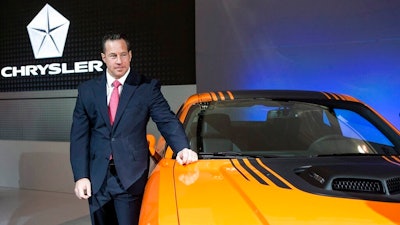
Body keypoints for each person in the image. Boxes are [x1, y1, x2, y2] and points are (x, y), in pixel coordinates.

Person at [70, 33, 198, 225]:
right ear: (103, 57)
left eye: (123, 54)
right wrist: (81, 176)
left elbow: (166, 120)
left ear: (130, 55)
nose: (119, 61)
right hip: (97, 178)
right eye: (113, 56)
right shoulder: (87, 90)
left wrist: (182, 147)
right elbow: (79, 136)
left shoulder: (146, 87)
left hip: (130, 177)